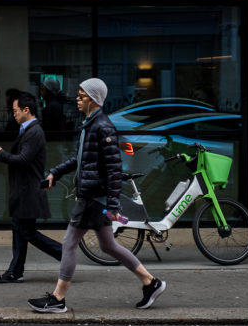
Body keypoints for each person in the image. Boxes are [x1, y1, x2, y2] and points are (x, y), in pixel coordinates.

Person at [28, 78, 165, 313]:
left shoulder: (103, 127)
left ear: (93, 99)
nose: (77, 100)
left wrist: (113, 205)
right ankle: (150, 282)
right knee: (108, 245)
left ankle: (58, 298)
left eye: (81, 97)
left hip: (92, 197)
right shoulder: (91, 124)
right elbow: (79, 159)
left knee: (69, 243)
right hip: (94, 195)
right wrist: (56, 173)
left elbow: (114, 169)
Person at [0, 91, 63, 283]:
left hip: (28, 191)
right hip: (23, 190)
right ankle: (15, 271)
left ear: (26, 110)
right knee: (19, 231)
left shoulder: (34, 131)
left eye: (15, 111)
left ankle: (64, 254)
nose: (14, 114)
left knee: (26, 232)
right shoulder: (28, 130)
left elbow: (23, 160)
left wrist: (1, 153)